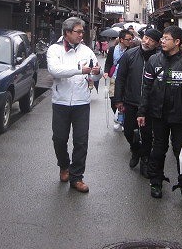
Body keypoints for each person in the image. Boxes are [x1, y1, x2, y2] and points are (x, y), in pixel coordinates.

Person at [137, 25, 182, 206]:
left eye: (167, 38)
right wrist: (142, 111)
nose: (162, 41)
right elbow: (146, 88)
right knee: (158, 149)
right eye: (162, 38)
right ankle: (155, 182)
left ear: (178, 42)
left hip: (180, 117)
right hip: (157, 115)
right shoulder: (154, 60)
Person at [46, 17, 101, 193]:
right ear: (67, 33)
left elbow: (94, 76)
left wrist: (97, 73)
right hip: (60, 102)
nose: (81, 34)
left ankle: (77, 177)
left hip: (82, 102)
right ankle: (64, 165)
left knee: (81, 141)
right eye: (78, 31)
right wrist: (79, 70)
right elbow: (55, 70)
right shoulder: (54, 50)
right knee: (59, 139)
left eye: (82, 31)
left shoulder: (87, 51)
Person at [113, 28, 162, 178]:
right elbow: (120, 78)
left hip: (150, 104)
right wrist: (118, 99)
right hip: (131, 101)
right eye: (146, 38)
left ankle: (145, 160)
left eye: (151, 40)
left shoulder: (160, 58)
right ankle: (136, 150)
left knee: (147, 134)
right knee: (128, 131)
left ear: (157, 44)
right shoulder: (130, 54)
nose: (147, 42)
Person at [104, 29, 134, 113]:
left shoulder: (132, 51)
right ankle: (116, 115)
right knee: (113, 98)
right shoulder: (112, 49)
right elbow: (108, 62)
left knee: (124, 99)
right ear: (121, 40)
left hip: (126, 78)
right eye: (128, 39)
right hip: (114, 77)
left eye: (131, 39)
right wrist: (106, 72)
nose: (130, 41)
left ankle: (123, 118)